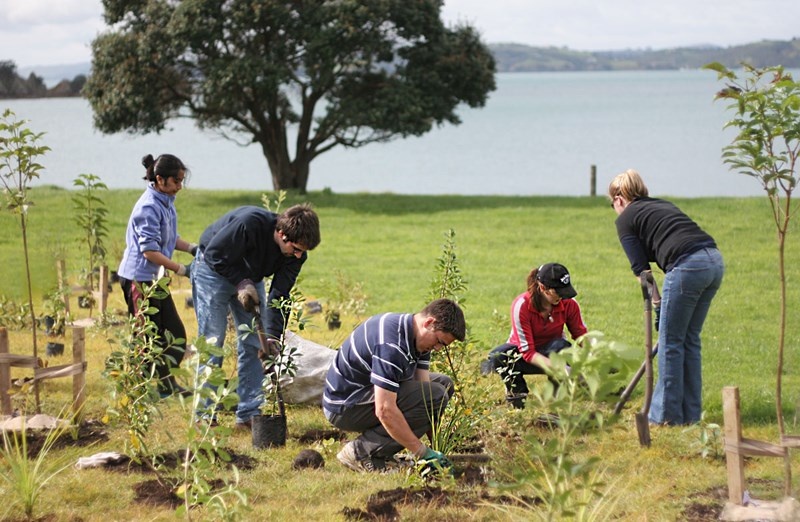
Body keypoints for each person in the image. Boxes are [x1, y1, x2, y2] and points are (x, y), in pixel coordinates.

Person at [609, 169, 724, 426]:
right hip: (714, 261)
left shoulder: (626, 218)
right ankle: (691, 415)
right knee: (689, 340)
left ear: (618, 198)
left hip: (687, 267)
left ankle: (664, 417)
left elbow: (643, 271)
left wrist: (658, 303)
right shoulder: (661, 205)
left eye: (612, 203)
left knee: (670, 342)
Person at [192, 204, 321, 428]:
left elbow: (280, 295)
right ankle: (204, 415)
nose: (299, 255)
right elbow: (214, 254)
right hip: (212, 271)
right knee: (213, 341)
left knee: (254, 344)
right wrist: (241, 282)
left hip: (251, 278)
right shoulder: (249, 223)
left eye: (303, 251)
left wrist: (271, 337)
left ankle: (249, 413)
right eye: (296, 249)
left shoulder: (296, 256)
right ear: (282, 234)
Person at [323, 298, 466, 473]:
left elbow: (424, 393)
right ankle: (360, 452)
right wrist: (423, 452)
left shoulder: (417, 338)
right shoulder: (392, 344)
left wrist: (436, 445)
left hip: (366, 391)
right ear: (429, 323)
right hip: (345, 405)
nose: (437, 348)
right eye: (439, 342)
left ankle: (385, 450)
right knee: (435, 395)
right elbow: (384, 409)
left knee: (444, 385)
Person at [117, 153, 196, 398]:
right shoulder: (148, 207)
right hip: (138, 279)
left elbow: (169, 239)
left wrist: (193, 248)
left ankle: (165, 384)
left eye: (182, 180)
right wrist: (180, 269)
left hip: (155, 279)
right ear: (160, 179)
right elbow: (149, 250)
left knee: (174, 334)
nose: (180, 186)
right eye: (176, 181)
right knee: (147, 336)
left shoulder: (165, 200)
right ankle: (136, 390)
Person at [482, 263, 588, 409]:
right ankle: (517, 395)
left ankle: (558, 394)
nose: (563, 296)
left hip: (552, 351)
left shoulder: (569, 303)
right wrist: (561, 368)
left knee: (562, 347)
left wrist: (597, 358)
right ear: (543, 288)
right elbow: (528, 352)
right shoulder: (522, 305)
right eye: (558, 292)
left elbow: (581, 335)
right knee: (498, 356)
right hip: (523, 355)